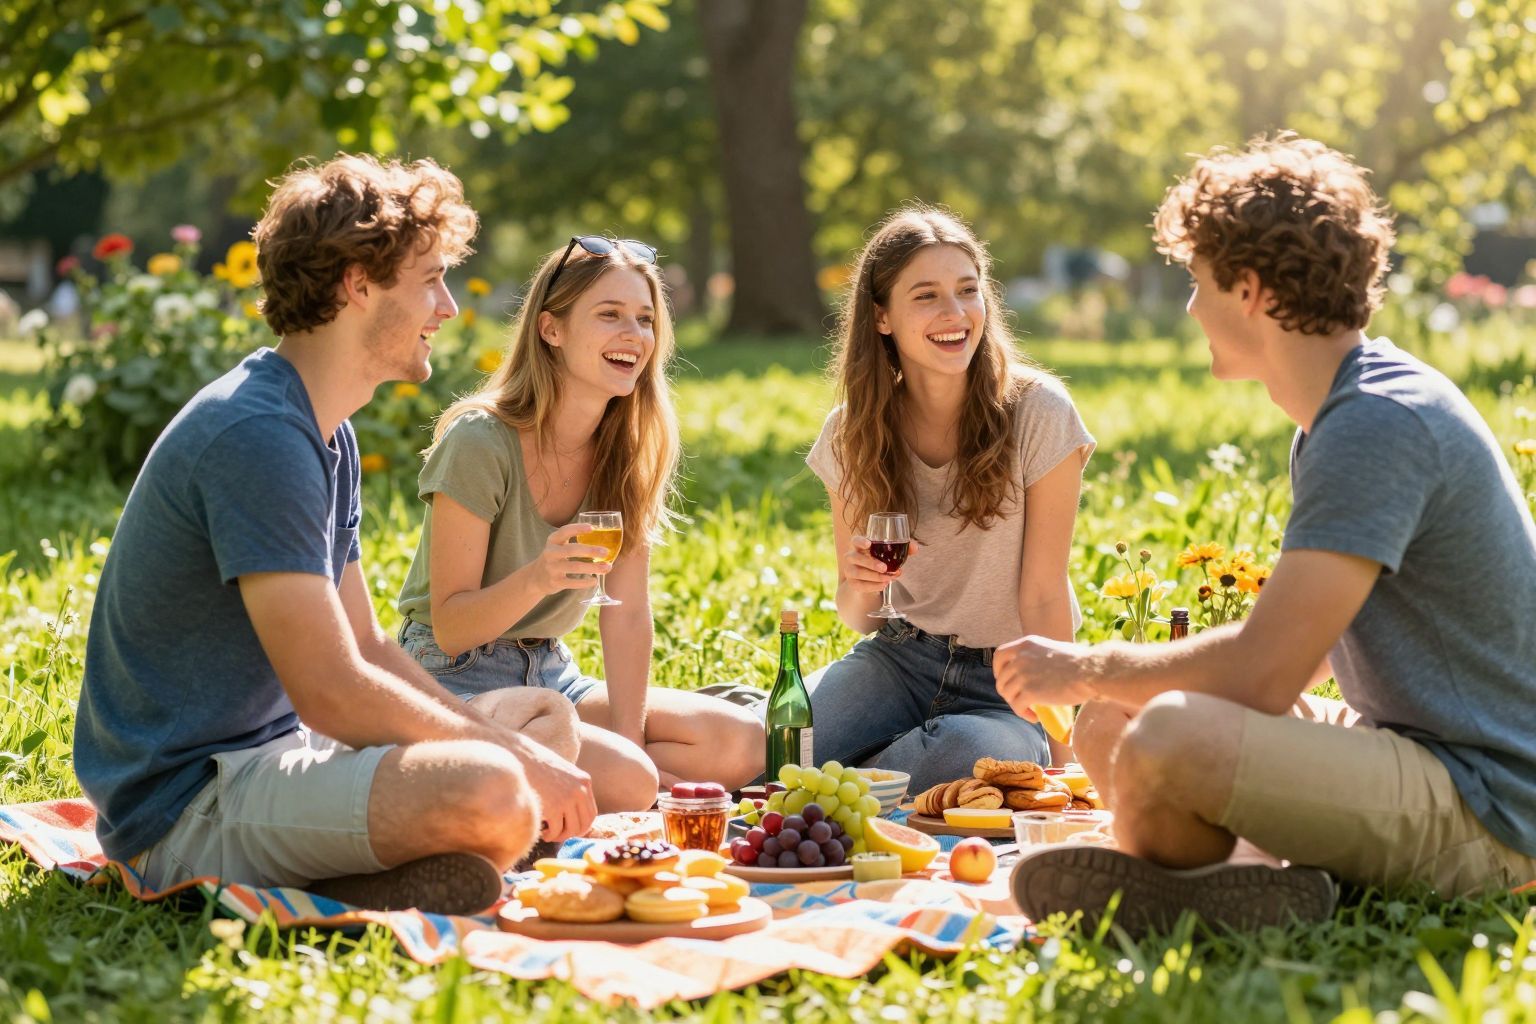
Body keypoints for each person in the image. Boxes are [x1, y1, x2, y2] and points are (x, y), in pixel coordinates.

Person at [1000, 134, 1536, 936]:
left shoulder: (1378, 423)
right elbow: (1307, 648)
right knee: (1112, 720)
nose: (1190, 307)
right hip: (1406, 753)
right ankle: (1256, 887)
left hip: (1488, 809)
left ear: (1248, 290)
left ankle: (1227, 883)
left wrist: (1086, 664)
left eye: (1198, 281)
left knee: (1165, 738)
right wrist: (1106, 687)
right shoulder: (1336, 416)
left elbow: (1262, 677)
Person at [73, 155, 599, 916]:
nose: (448, 307)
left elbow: (370, 647)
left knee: (545, 718)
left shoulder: (325, 431)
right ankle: (367, 868)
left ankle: (380, 867)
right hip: (188, 804)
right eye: (431, 280)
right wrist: (506, 758)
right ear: (358, 284)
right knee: (495, 787)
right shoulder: (257, 434)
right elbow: (329, 690)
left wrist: (513, 744)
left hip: (280, 755)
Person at [395, 236, 764, 795]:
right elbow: (450, 629)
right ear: (551, 329)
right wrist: (539, 577)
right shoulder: (481, 441)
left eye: (645, 319)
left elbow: (627, 614)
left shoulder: (625, 451)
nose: (634, 335)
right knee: (629, 778)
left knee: (740, 741)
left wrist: (631, 745)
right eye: (610, 314)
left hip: (552, 673)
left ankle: (605, 780)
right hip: (452, 678)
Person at [805, 206, 1095, 793]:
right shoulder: (851, 432)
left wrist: (1066, 764)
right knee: (775, 739)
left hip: (1008, 679)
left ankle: (832, 788)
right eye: (927, 296)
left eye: (967, 290)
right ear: (881, 316)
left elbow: (1044, 595)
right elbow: (861, 616)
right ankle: (847, 777)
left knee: (966, 751)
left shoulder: (1038, 411)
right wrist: (860, 583)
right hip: (900, 661)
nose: (955, 313)